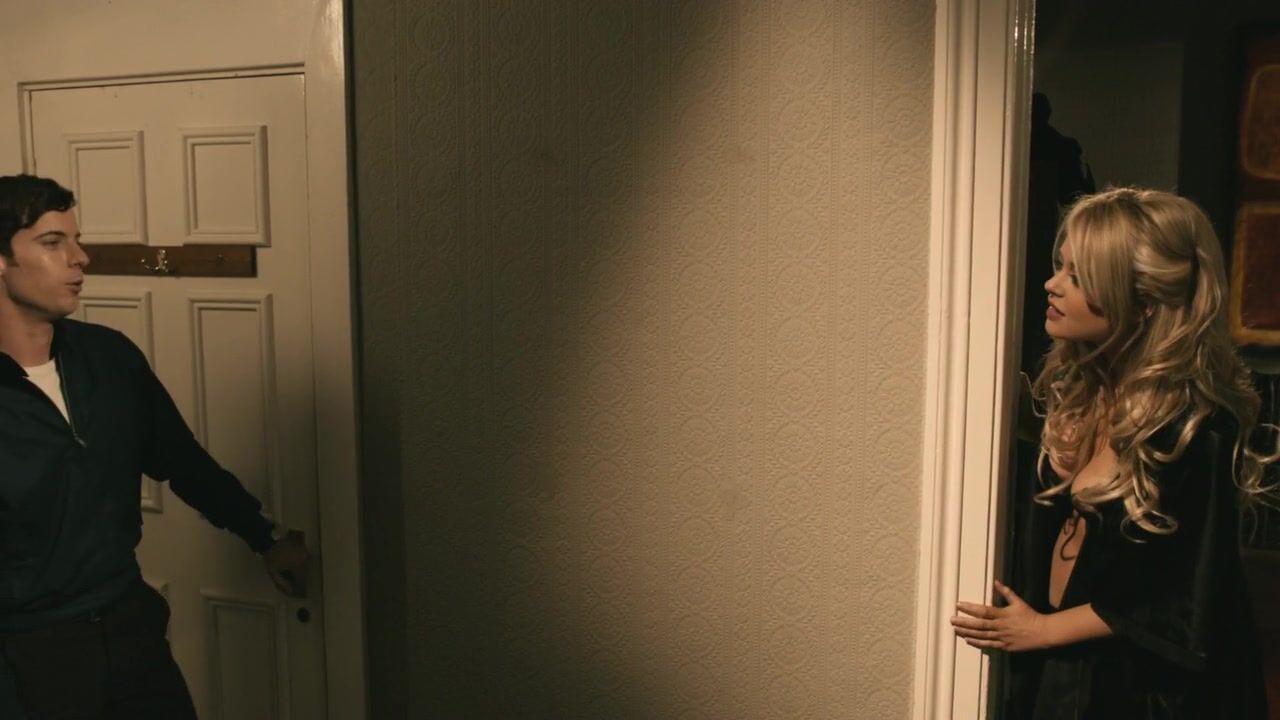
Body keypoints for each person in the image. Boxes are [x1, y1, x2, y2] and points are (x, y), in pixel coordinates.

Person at [951, 188, 1277, 717]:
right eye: (1060, 266)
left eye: (1079, 278)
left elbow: (1185, 597)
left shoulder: (1195, 427)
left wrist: (1044, 630)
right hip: (1067, 674)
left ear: (1143, 305)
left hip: (1144, 694)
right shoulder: (1086, 396)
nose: (1052, 284)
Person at [0, 174, 310, 719]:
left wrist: (264, 536)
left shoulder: (109, 358)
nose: (80, 258)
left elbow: (183, 460)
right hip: (29, 656)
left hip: (130, 630)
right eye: (52, 242)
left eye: (76, 240)